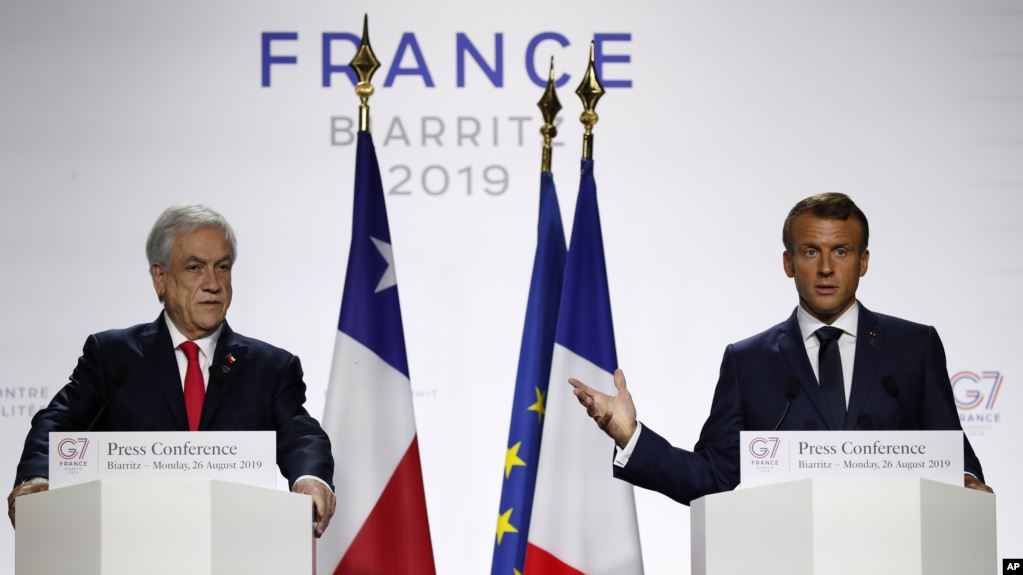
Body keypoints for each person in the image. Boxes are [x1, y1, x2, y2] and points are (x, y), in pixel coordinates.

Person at [570, 193, 992, 505]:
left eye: (841, 251)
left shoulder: (913, 347)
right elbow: (713, 477)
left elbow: (953, 454)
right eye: (811, 251)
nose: (826, 267)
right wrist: (630, 435)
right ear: (789, 263)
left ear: (863, 262)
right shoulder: (748, 362)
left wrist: (967, 482)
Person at [7, 204, 337, 536]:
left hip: (234, 544)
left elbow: (300, 433)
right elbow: (58, 422)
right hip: (131, 540)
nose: (213, 283)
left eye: (222, 267)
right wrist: (37, 477)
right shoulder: (114, 357)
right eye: (195, 267)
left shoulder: (269, 367)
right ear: (160, 278)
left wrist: (311, 477)